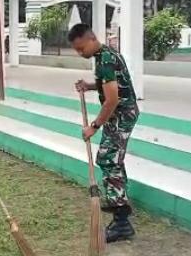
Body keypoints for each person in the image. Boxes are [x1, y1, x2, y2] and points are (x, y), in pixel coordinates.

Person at [68, 23, 139, 243]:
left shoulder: (106, 59)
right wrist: (89, 86)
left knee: (108, 159)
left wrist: (94, 126)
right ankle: (121, 206)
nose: (80, 54)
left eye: (81, 49)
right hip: (117, 115)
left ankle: (121, 222)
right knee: (113, 160)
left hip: (121, 115)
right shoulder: (103, 56)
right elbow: (110, 87)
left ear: (91, 39)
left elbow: (112, 100)